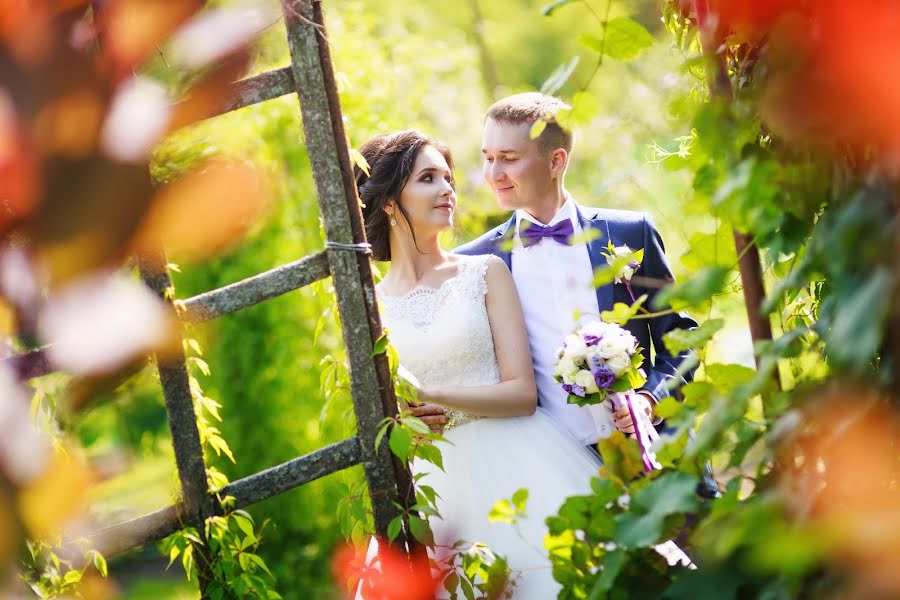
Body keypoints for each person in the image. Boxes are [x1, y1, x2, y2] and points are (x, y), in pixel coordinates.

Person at [354, 130, 689, 599]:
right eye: (428, 178)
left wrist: (432, 396)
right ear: (389, 201)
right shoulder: (372, 305)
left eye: (448, 177)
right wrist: (405, 418)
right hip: (434, 486)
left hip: (518, 458)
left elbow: (523, 394)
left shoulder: (484, 272)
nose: (448, 188)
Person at [400, 92, 700, 455]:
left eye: (508, 159)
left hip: (656, 451)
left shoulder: (629, 233)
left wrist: (650, 399)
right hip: (557, 468)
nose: (494, 174)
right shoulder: (473, 265)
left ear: (556, 161)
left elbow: (682, 341)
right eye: (488, 158)